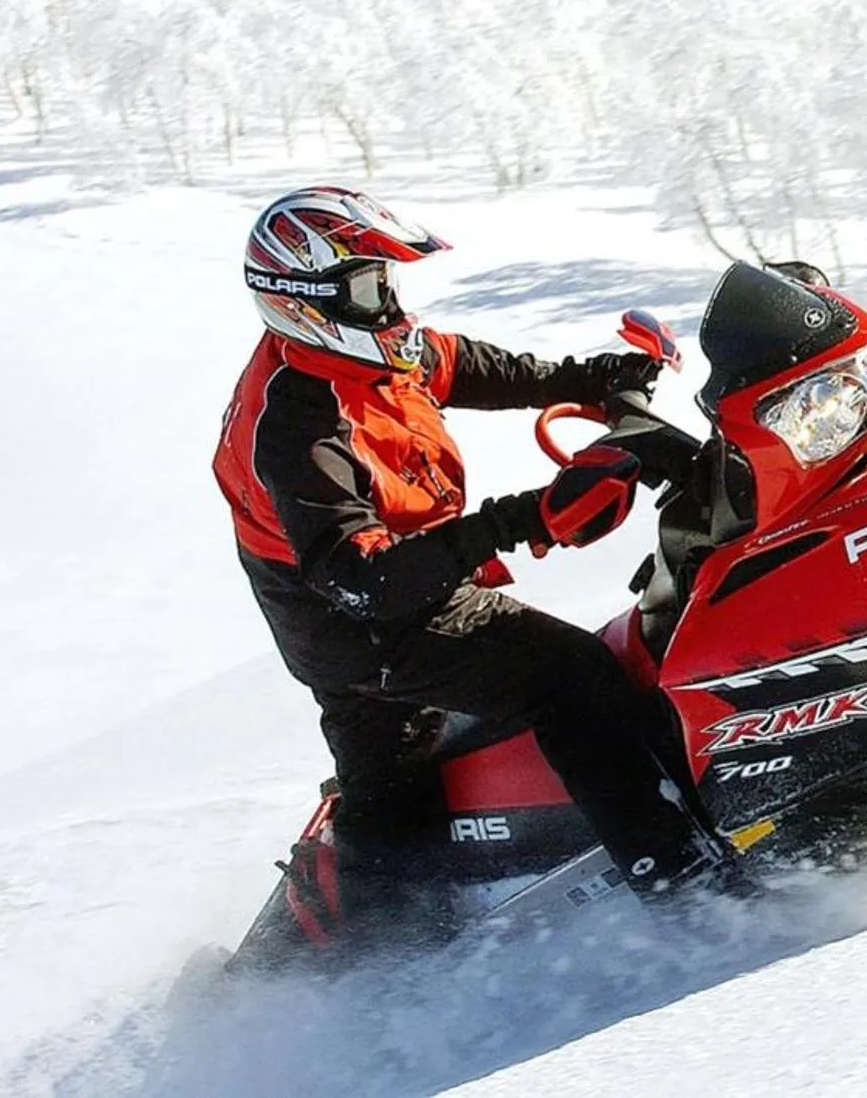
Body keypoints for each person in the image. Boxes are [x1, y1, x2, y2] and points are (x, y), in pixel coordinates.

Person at [212, 185, 729, 934]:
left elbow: (460, 364)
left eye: (387, 282)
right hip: (366, 620)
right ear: (303, 300)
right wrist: (523, 516)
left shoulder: (358, 351)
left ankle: (394, 922)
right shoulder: (300, 427)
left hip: (389, 589)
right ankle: (683, 887)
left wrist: (586, 378)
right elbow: (366, 583)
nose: (388, 306)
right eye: (366, 287)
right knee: (572, 677)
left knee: (399, 787)